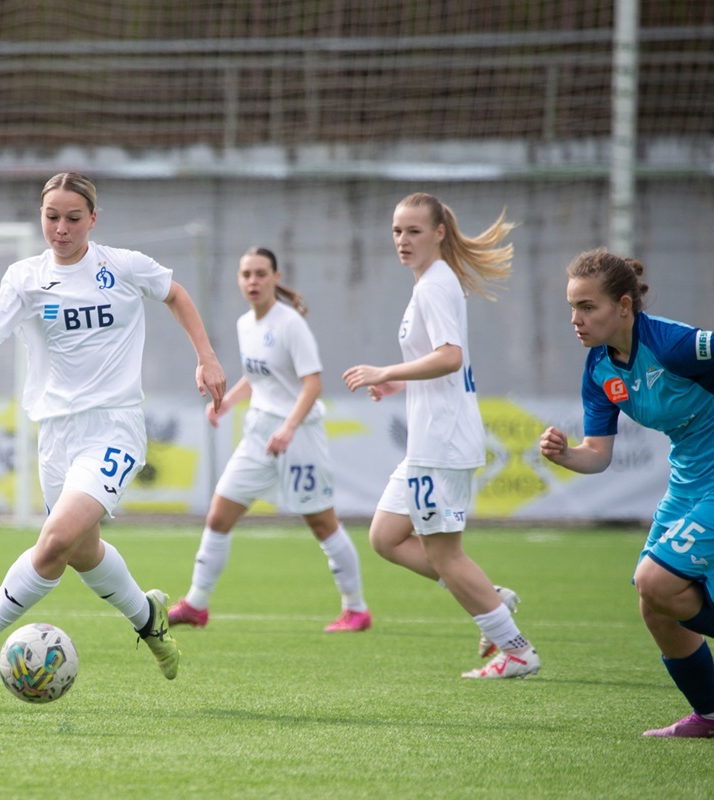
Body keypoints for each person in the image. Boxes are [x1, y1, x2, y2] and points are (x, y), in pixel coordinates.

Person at [0, 171, 227, 683]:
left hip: (115, 428)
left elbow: (175, 294)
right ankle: (150, 619)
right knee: (82, 553)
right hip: (55, 437)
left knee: (54, 541)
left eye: (73, 218)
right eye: (51, 217)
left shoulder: (122, 266)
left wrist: (206, 357)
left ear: (93, 220)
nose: (61, 228)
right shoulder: (24, 278)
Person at [342, 192, 539, 679]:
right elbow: (441, 360)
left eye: (413, 231)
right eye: (396, 231)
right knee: (386, 537)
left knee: (444, 553)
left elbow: (450, 356)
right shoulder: (431, 283)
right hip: (428, 442)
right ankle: (492, 598)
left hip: (442, 442)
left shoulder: (435, 285)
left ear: (439, 233)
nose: (402, 240)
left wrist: (384, 369)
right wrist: (398, 380)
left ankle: (515, 649)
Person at [540, 249, 714, 737]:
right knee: (652, 602)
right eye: (571, 308)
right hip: (690, 479)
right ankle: (711, 714)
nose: (576, 319)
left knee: (657, 581)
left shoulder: (675, 344)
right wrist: (564, 454)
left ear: (623, 305)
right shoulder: (599, 369)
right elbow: (597, 454)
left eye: (587, 307)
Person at [168, 247, 372, 633]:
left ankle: (356, 609)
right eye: (246, 274)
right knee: (218, 515)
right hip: (259, 434)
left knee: (322, 523)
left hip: (299, 437)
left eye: (261, 274)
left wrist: (290, 427)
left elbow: (312, 384)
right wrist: (227, 403)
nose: (253, 281)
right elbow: (258, 376)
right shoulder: (246, 323)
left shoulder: (291, 323)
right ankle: (196, 604)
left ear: (276, 278)